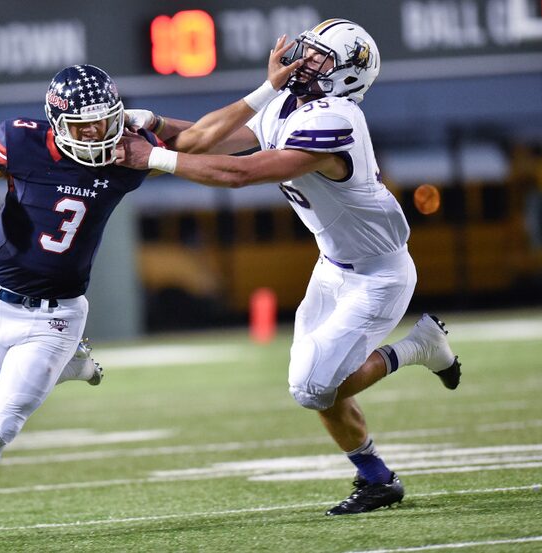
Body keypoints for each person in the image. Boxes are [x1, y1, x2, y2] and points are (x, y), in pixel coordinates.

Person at [119, 20, 462, 516]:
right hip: (332, 267)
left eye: (320, 57)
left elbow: (240, 174)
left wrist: (154, 157)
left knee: (311, 386)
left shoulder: (337, 119)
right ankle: (376, 479)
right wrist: (151, 123)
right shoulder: (289, 103)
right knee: (319, 387)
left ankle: (418, 348)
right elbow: (203, 140)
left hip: (378, 276)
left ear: (348, 75)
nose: (303, 62)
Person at [0, 64, 159, 548]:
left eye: (102, 121)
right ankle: (69, 367)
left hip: (56, 317)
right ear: (56, 122)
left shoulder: (127, 157)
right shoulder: (21, 142)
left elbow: (207, 140)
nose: (95, 133)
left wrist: (262, 94)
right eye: (82, 124)